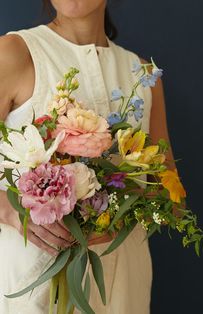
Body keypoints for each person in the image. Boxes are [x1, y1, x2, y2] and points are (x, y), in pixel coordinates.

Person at [0, 0, 176, 313]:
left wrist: (123, 213)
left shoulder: (145, 76)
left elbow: (170, 195)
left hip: (123, 287)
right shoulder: (14, 53)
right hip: (33, 284)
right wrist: (12, 211)